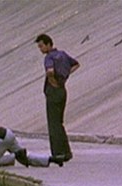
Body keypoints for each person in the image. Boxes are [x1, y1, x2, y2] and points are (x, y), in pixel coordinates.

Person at [35, 34, 79, 164]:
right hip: (62, 90)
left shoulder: (49, 57)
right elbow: (76, 64)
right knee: (60, 122)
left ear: (48, 44)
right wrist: (64, 76)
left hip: (53, 91)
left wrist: (53, 82)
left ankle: (58, 153)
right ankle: (66, 151)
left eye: (41, 46)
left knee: (53, 123)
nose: (40, 49)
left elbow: (50, 71)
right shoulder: (63, 54)